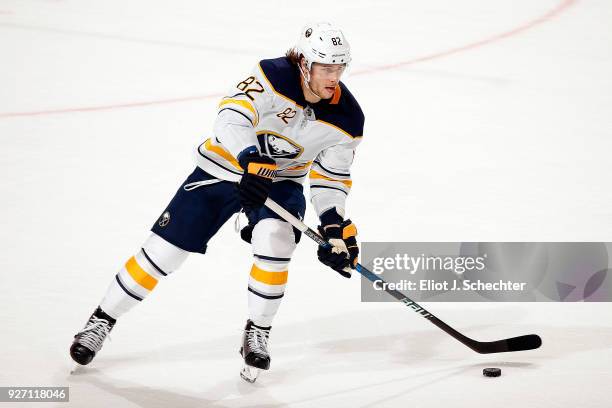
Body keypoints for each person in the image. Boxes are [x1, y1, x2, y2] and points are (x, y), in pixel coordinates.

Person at [70, 22, 364, 382]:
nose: (333, 77)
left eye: (339, 68)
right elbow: (231, 116)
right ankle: (101, 320)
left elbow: (331, 178)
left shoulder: (349, 117)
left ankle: (257, 333)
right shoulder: (271, 76)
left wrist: (333, 225)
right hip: (224, 168)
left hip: (280, 183)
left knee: (277, 240)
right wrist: (250, 158)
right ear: (304, 63)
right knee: (164, 253)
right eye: (325, 68)